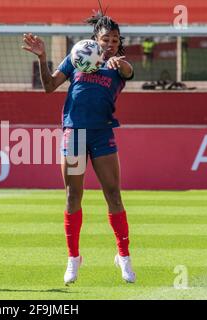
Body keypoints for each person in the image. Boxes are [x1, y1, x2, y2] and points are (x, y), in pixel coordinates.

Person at [22, 11, 136, 284]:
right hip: (74, 134)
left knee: (114, 196)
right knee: (73, 195)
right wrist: (41, 56)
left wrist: (119, 63)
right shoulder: (76, 58)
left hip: (102, 134)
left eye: (115, 40)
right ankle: (73, 258)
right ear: (95, 39)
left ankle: (124, 257)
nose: (110, 43)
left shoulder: (118, 66)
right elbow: (49, 87)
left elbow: (129, 72)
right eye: (105, 38)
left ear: (119, 44)